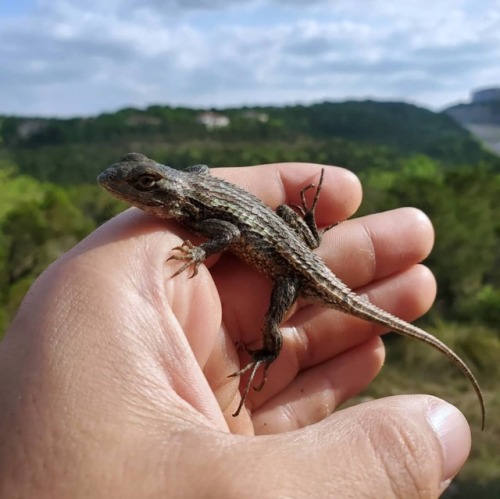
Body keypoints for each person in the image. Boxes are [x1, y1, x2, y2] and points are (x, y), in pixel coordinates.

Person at [0, 162, 471, 497]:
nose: (127, 191)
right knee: (288, 220)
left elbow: (226, 235)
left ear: (168, 190)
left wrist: (200, 254)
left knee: (274, 322)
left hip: (294, 272)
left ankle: (267, 353)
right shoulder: (193, 187)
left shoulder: (192, 205)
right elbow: (204, 174)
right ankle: (304, 237)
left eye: (143, 184)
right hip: (287, 246)